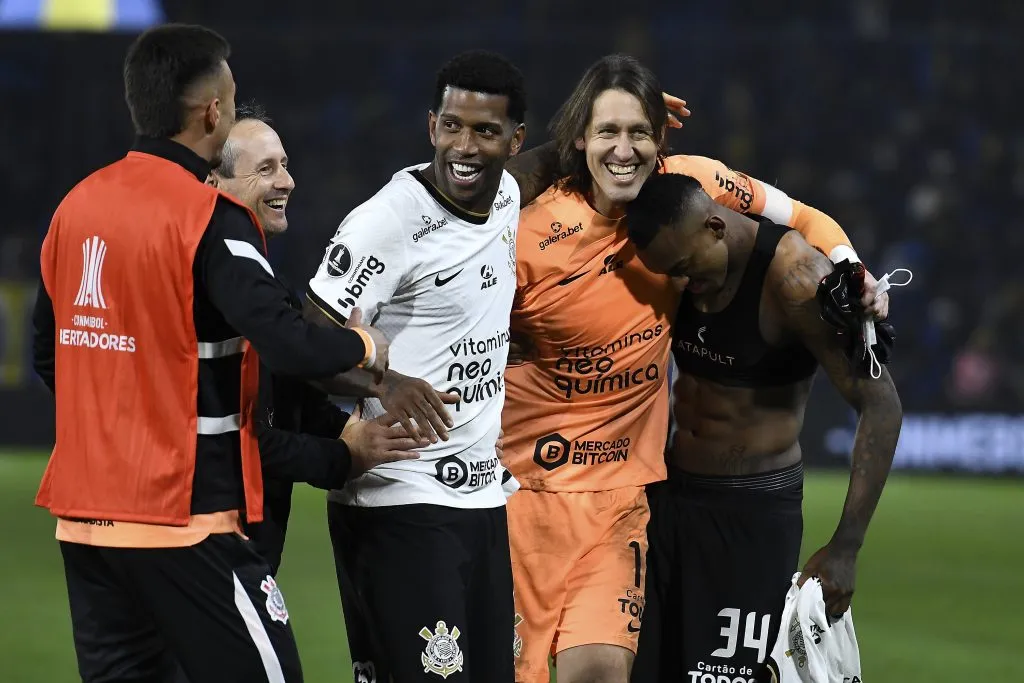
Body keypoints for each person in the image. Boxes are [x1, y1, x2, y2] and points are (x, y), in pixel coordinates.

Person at [499, 54, 886, 683]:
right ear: (578, 137)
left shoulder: (699, 184)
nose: (624, 150)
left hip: (632, 497)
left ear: (662, 140)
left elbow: (801, 216)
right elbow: (480, 201)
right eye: (606, 132)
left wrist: (849, 265)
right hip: (531, 492)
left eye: (639, 133)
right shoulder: (526, 227)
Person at [30, 24, 391, 683]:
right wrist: (365, 343)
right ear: (212, 111)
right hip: (183, 519)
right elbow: (287, 342)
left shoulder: (75, 208)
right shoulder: (207, 217)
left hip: (86, 525)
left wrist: (120, 425)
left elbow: (48, 357)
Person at [624, 172, 902, 683]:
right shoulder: (678, 251)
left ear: (714, 226)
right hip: (668, 503)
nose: (681, 284)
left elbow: (882, 407)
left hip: (751, 517)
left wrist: (846, 548)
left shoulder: (795, 279)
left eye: (685, 268)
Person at [303, 50, 527, 682]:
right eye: (452, 125)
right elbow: (307, 340)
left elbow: (562, 156)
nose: (465, 145)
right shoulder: (389, 221)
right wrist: (385, 380)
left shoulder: (507, 194)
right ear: (431, 126)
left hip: (481, 498)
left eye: (485, 131)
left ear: (514, 140)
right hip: (398, 499)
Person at [209, 102, 423, 575]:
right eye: (265, 169)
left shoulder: (265, 281)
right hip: (214, 543)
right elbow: (244, 442)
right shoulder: (213, 288)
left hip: (245, 542)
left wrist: (347, 430)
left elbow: (283, 397)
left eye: (284, 165)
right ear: (213, 183)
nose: (286, 181)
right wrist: (344, 455)